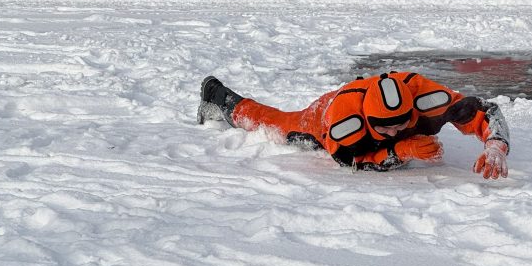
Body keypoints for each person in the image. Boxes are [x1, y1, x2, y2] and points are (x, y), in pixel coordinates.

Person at [198, 72, 510, 179]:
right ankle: (218, 97)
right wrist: (401, 150)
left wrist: (495, 145)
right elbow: (351, 160)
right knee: (275, 123)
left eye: (402, 126)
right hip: (323, 113)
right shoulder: (342, 125)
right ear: (368, 123)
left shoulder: (425, 96)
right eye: (386, 131)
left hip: (364, 96)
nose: (395, 132)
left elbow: (483, 111)